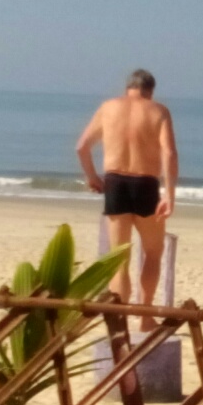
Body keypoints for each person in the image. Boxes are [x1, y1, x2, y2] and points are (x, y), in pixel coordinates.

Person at [77, 69, 178, 331]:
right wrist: (169, 194)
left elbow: (82, 147)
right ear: (150, 91)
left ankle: (119, 320)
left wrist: (92, 177)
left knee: (119, 258)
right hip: (145, 184)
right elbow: (169, 153)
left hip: (115, 183)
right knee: (153, 253)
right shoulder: (158, 111)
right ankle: (145, 317)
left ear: (127, 88)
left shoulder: (108, 108)